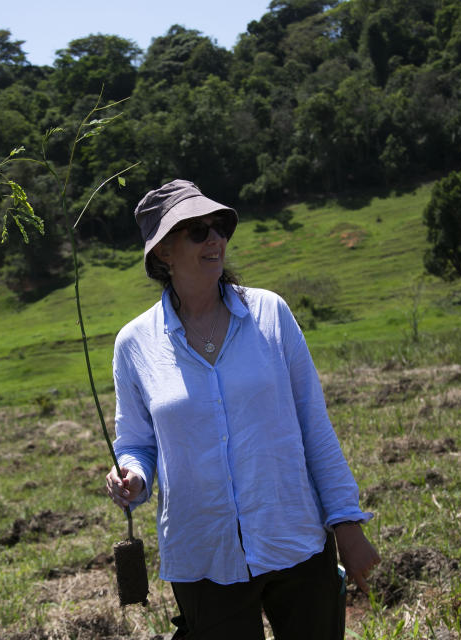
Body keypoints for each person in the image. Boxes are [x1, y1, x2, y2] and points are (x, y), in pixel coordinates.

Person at [105, 179, 380, 639]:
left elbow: (315, 426)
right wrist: (132, 474)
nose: (214, 239)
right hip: (203, 556)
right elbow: (136, 442)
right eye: (197, 231)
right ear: (163, 254)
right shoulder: (134, 344)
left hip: (295, 539)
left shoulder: (270, 314)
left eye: (219, 228)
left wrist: (346, 524)